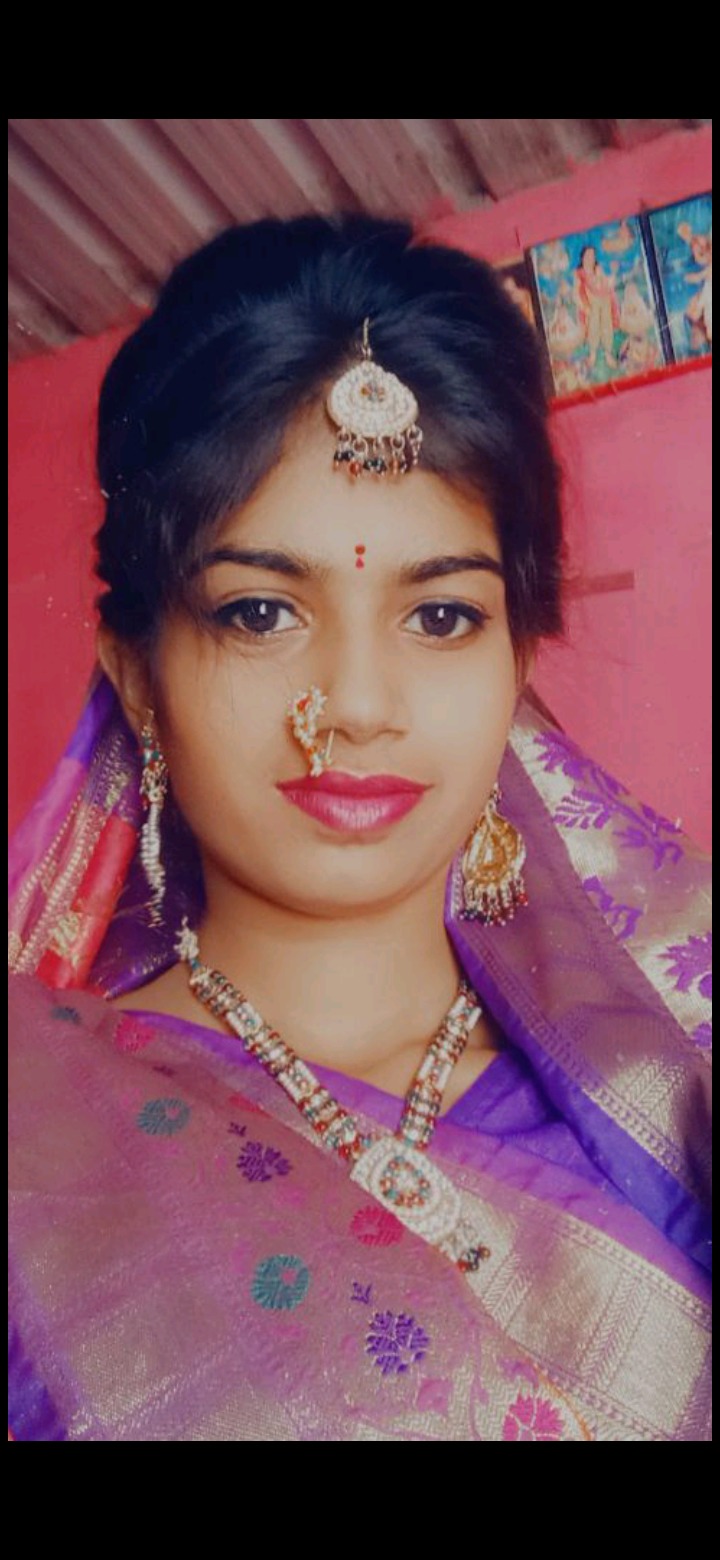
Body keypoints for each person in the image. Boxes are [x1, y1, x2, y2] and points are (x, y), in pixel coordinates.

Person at [9, 214, 711, 1442]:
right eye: (259, 612)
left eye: (440, 616)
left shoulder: (674, 1080)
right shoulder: (40, 1149)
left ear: (517, 660)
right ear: (136, 676)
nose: (359, 706)